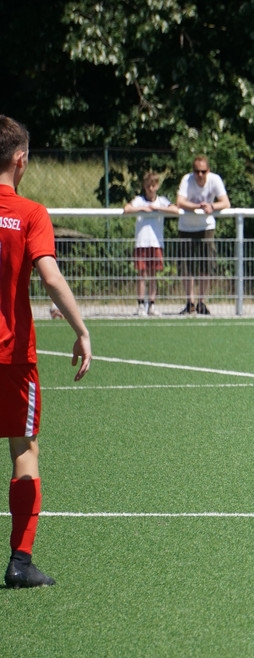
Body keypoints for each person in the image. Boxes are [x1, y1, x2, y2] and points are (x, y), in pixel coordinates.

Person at [0, 115, 92, 588]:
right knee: (24, 448)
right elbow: (51, 277)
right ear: (20, 159)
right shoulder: (31, 213)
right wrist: (81, 329)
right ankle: (20, 562)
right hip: (13, 356)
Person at [175, 155, 230, 315]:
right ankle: (190, 302)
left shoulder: (215, 180)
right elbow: (180, 201)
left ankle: (202, 302)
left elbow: (226, 202)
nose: (200, 175)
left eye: (203, 171)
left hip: (206, 227)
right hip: (186, 227)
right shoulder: (186, 180)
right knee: (186, 267)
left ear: (208, 170)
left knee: (206, 265)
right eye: (196, 171)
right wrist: (197, 207)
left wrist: (212, 206)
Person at [123, 171, 179, 316]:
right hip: (142, 242)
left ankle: (152, 304)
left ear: (157, 186)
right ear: (144, 186)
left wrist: (158, 209)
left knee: (153, 274)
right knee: (142, 274)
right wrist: (142, 209)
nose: (151, 189)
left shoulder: (161, 201)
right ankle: (141, 304)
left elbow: (175, 210)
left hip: (156, 243)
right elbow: (127, 208)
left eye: (153, 186)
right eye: (148, 186)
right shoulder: (139, 200)